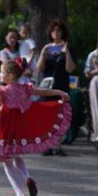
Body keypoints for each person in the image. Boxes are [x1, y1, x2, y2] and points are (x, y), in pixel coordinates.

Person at [0, 59, 71, 196]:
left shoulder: (2, 91)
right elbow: (43, 91)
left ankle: (19, 194)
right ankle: (27, 177)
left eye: (2, 72)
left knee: (7, 162)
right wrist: (59, 92)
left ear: (10, 75)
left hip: (7, 130)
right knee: (17, 157)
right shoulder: (25, 88)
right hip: (21, 130)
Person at [36, 20, 75, 156]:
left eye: (59, 30)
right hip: (48, 86)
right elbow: (39, 68)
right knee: (47, 117)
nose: (56, 33)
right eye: (54, 30)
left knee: (60, 116)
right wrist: (42, 52)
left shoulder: (66, 47)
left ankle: (57, 145)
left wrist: (66, 52)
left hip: (61, 86)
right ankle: (47, 145)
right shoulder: (47, 48)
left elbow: (70, 68)